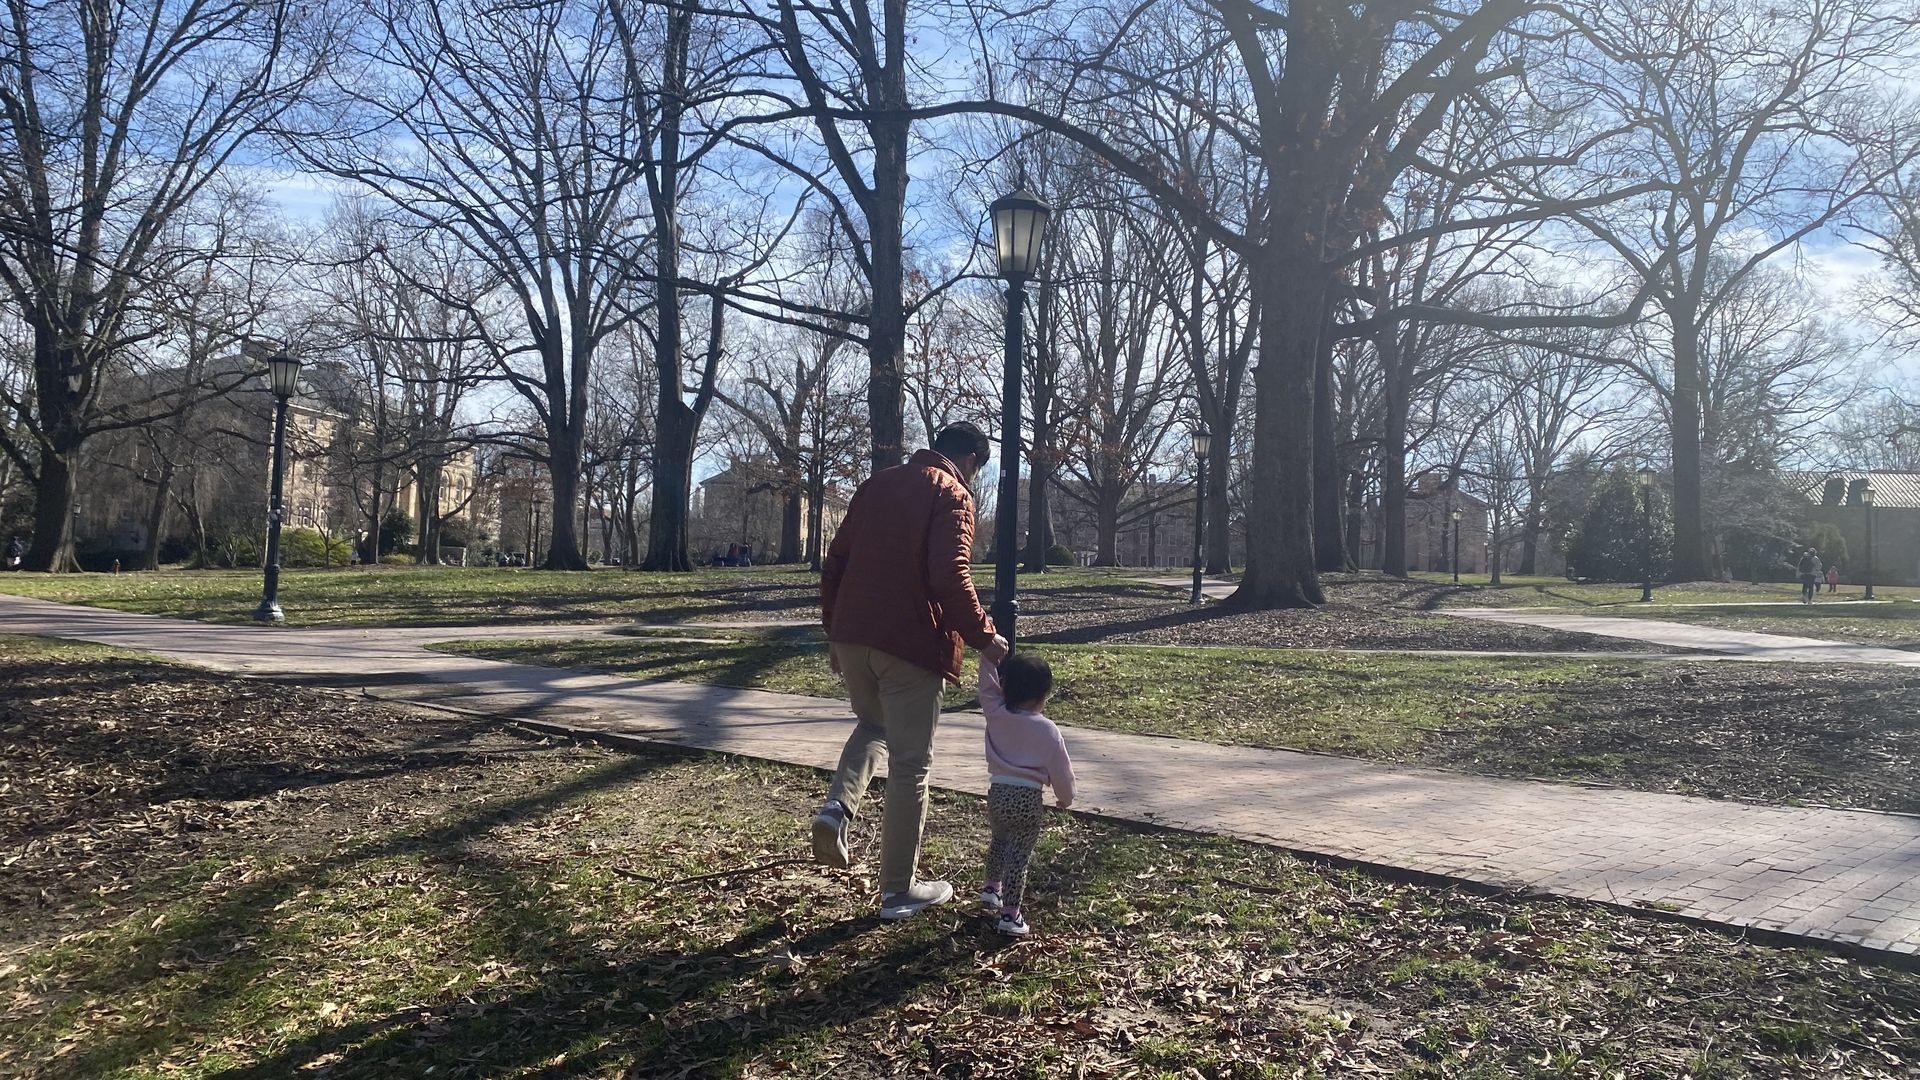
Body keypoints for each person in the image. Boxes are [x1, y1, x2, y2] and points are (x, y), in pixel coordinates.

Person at [811, 422, 1008, 921]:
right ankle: (898, 890)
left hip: (854, 635)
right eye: (978, 470)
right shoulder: (953, 493)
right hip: (912, 643)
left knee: (874, 725)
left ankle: (837, 808)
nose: (975, 480)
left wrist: (835, 630)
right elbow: (950, 575)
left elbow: (834, 564)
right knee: (910, 765)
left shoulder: (877, 483)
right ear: (969, 458)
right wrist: (986, 637)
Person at [977, 651, 1074, 937]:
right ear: (1045, 693)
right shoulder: (1047, 730)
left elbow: (985, 687)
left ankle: (991, 888)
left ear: (1005, 688)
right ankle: (1011, 914)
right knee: (1019, 856)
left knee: (999, 841)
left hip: (997, 793)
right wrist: (1065, 797)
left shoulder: (995, 713)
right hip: (1027, 799)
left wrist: (988, 658)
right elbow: (1062, 771)